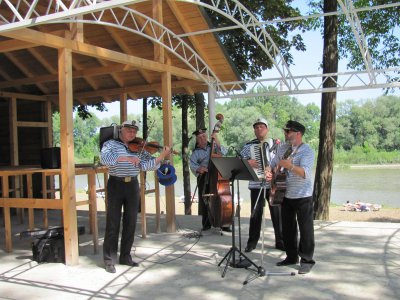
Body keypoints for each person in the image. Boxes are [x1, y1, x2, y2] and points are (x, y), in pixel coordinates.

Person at [100, 120, 171, 273]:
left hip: (132, 185)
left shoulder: (140, 148)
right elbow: (104, 159)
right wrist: (126, 158)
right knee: (113, 222)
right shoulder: (110, 144)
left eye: (134, 131)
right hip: (116, 184)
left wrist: (161, 157)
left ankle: (125, 256)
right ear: (121, 130)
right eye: (129, 131)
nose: (132, 134)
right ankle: (109, 259)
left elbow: (146, 165)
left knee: (131, 222)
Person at [265, 120, 316, 274]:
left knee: (305, 229)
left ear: (298, 134)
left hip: (302, 195)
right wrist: (269, 171)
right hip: (284, 193)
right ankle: (291, 256)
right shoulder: (283, 148)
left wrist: (290, 166)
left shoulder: (307, 151)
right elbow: (272, 163)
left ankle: (307, 260)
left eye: (288, 132)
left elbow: (305, 174)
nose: (285, 134)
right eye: (285, 131)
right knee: (287, 228)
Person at [239, 117, 284, 253]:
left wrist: (274, 171)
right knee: (255, 214)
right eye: (256, 127)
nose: (259, 129)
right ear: (254, 130)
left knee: (277, 214)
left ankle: (280, 241)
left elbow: (282, 161)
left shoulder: (276, 144)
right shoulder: (248, 146)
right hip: (256, 184)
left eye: (262, 127)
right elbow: (240, 159)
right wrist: (248, 162)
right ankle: (252, 242)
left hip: (272, 185)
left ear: (267, 129)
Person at [189, 127, 230, 232]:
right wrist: (199, 168)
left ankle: (224, 223)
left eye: (204, 136)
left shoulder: (214, 145)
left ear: (207, 136)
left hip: (217, 174)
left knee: (221, 198)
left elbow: (224, 152)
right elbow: (192, 165)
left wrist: (216, 140)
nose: (203, 138)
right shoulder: (195, 152)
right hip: (204, 177)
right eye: (200, 137)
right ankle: (206, 224)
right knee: (205, 200)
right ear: (197, 140)